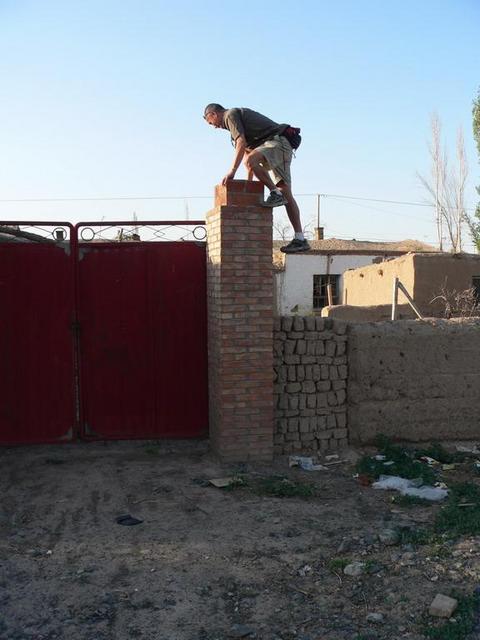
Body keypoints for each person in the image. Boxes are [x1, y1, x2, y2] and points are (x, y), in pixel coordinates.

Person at [203, 104, 310, 254]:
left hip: (277, 143)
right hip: (280, 147)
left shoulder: (230, 115)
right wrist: (249, 185)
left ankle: (275, 193)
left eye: (210, 122)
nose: (214, 127)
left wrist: (232, 171)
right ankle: (300, 239)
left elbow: (242, 145)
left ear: (213, 114)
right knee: (286, 193)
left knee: (276, 188)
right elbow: (247, 155)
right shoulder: (235, 125)